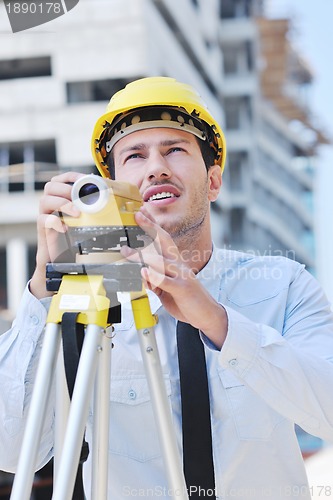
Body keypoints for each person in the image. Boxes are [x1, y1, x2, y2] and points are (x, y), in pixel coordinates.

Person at [0, 76, 333, 499]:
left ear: (213, 181)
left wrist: (216, 321)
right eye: (134, 156)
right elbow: (11, 452)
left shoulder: (283, 286)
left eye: (175, 149)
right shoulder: (87, 305)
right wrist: (44, 288)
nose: (156, 167)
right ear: (112, 191)